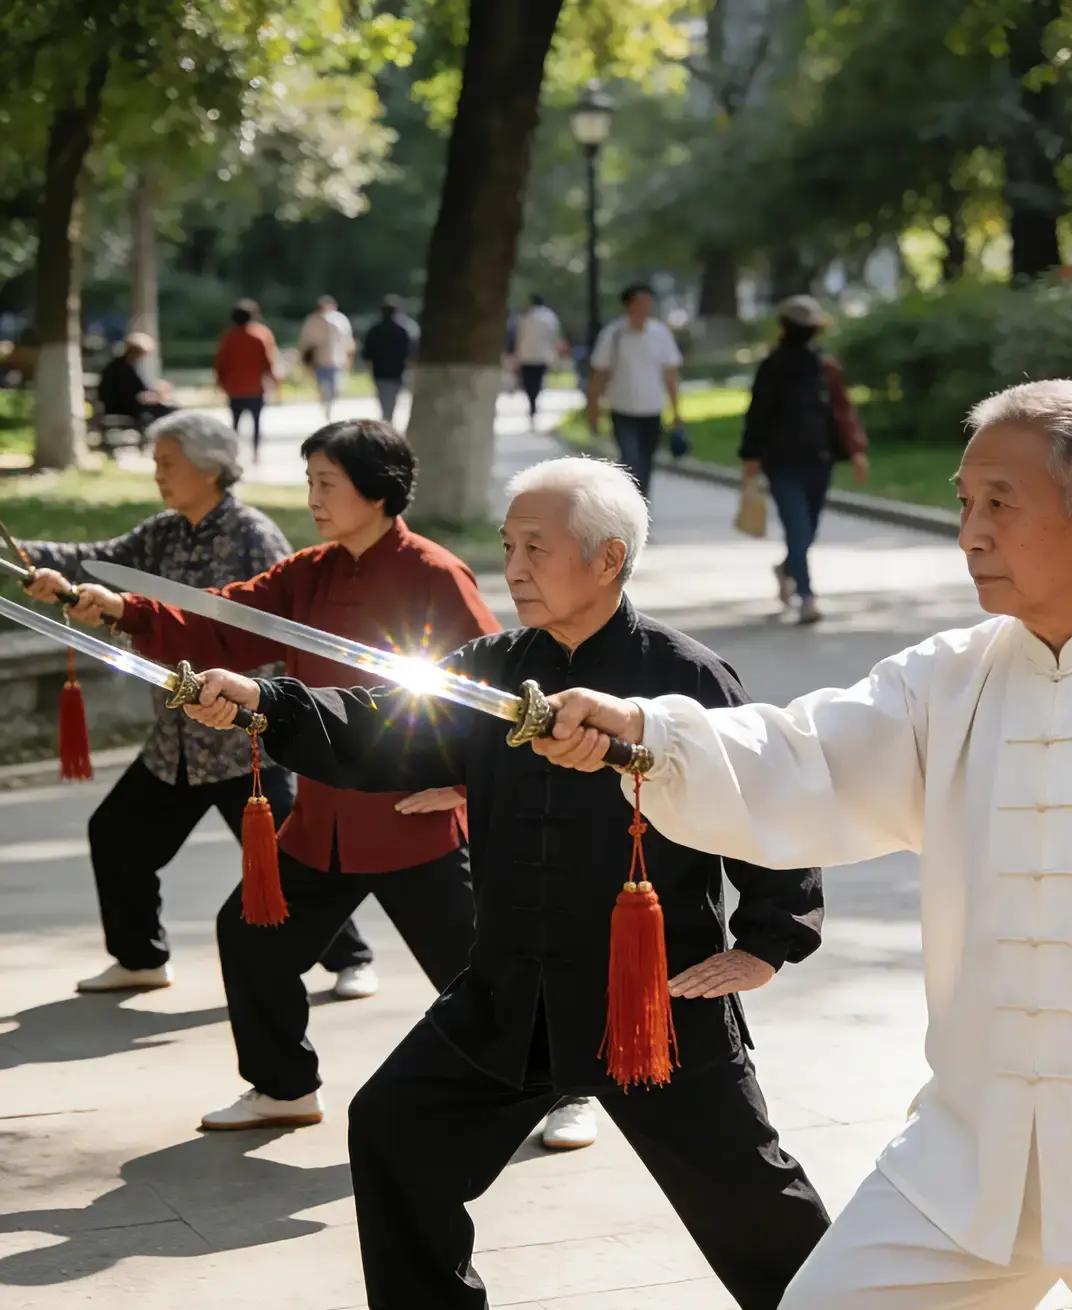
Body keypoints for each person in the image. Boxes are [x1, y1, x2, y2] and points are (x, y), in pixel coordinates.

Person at [185, 455, 829, 1308]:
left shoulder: (683, 677)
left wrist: (770, 941)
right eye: (508, 546)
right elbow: (384, 723)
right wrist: (269, 702)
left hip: (649, 999)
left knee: (756, 1206)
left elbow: (765, 797)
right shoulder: (489, 667)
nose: (514, 568)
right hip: (509, 992)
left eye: (536, 548)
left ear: (608, 558)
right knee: (395, 1132)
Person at [534, 379, 1072, 1308]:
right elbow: (804, 751)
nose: (970, 534)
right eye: (963, 503)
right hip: (974, 1154)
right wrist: (644, 731)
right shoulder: (950, 679)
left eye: (1001, 503)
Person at [65, 419, 499, 1130]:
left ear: (377, 491)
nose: (314, 498)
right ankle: (285, 1087)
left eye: (327, 483)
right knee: (250, 936)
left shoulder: (434, 572)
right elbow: (222, 620)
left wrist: (462, 781)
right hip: (321, 820)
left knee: (481, 975)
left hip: (409, 820)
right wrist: (125, 610)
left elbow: (487, 686)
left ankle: (561, 1089)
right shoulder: (308, 571)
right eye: (310, 482)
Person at [19, 412, 374, 993]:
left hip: (242, 739)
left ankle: (352, 958)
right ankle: (141, 958)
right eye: (156, 463)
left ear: (209, 469)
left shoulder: (254, 535)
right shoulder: (163, 531)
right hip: (176, 742)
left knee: (291, 858)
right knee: (116, 836)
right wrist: (41, 564)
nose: (158, 474)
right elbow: (95, 556)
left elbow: (274, 634)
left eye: (168, 463)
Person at [740, 295, 870, 626]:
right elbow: (758, 413)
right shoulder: (772, 367)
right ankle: (806, 596)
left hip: (819, 460)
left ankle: (787, 568)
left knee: (808, 530)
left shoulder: (825, 368)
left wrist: (856, 451)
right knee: (797, 528)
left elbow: (842, 411)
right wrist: (751, 456)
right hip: (781, 463)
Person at [587, 283, 683, 499]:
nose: (645, 308)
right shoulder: (613, 335)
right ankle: (630, 501)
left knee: (646, 461)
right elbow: (599, 373)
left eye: (648, 303)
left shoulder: (660, 334)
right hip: (623, 409)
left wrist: (676, 410)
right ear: (628, 305)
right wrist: (593, 408)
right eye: (640, 303)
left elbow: (670, 374)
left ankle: (642, 503)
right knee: (630, 459)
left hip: (652, 409)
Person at [214, 299, 280, 459]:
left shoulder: (228, 337)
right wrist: (274, 380)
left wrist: (220, 383)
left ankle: (233, 453)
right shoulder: (261, 334)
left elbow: (221, 362)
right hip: (255, 388)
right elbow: (268, 361)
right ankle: (256, 453)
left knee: (235, 423)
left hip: (234, 388)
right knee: (256, 422)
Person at [97, 332, 176, 428]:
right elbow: (129, 396)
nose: (143, 358)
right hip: (123, 409)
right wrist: (151, 397)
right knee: (167, 411)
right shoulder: (119, 369)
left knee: (168, 407)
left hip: (130, 407)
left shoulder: (127, 366)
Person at [298, 295, 355, 420]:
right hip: (318, 360)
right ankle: (325, 403)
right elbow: (305, 341)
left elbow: (347, 341)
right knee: (322, 385)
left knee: (334, 387)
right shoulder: (312, 321)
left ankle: (329, 404)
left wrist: (349, 357)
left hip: (337, 359)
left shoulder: (340, 320)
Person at [515, 293, 564, 426]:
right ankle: (534, 403)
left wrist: (516, 355)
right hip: (542, 356)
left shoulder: (526, 317)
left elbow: (519, 337)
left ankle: (532, 403)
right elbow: (555, 337)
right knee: (536, 381)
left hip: (526, 356)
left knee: (528, 383)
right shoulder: (550, 317)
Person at [361, 296, 412, 422]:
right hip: (396, 371)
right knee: (392, 399)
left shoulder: (374, 331)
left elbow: (367, 353)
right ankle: (388, 418)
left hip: (379, 371)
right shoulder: (401, 331)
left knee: (383, 398)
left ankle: (386, 418)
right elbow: (408, 353)